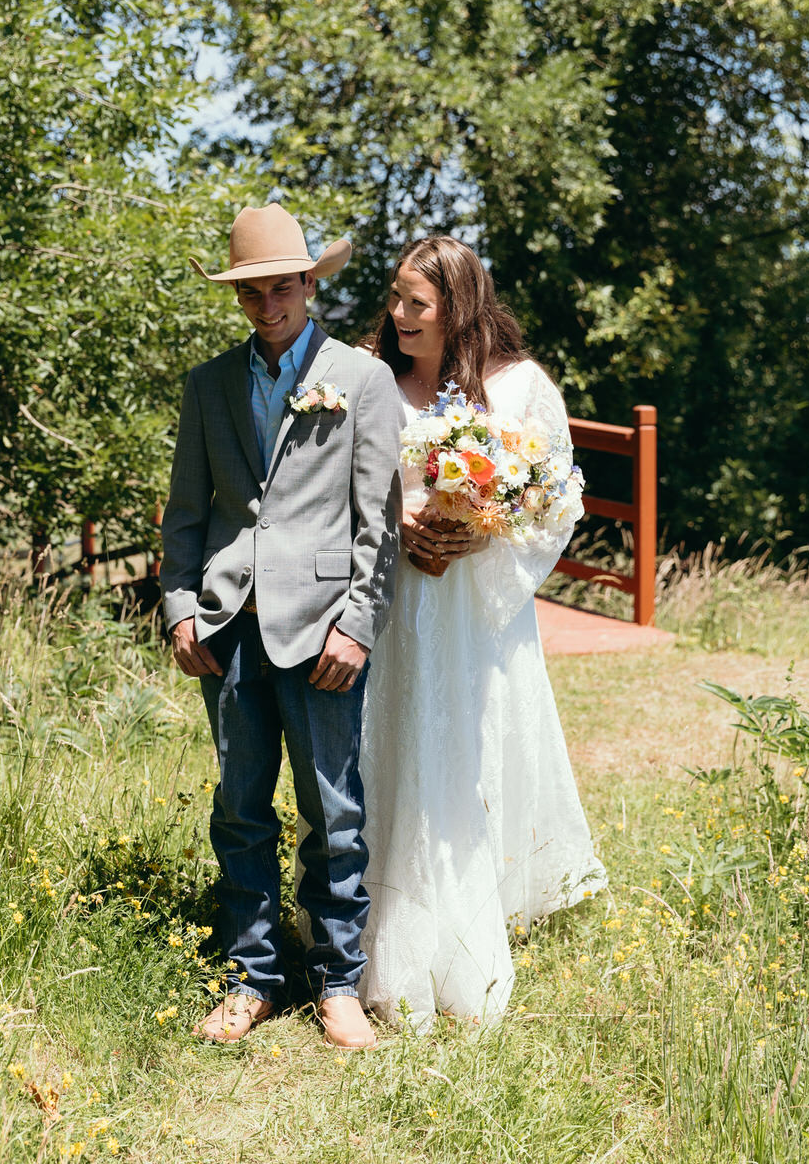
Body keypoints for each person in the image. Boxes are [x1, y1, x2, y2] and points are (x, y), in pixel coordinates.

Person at [161, 201, 402, 1050]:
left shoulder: (361, 379)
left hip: (324, 632)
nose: (268, 306)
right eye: (251, 293)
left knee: (332, 809)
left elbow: (380, 522)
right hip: (228, 630)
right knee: (239, 808)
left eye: (282, 288)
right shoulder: (208, 384)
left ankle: (338, 981)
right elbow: (187, 514)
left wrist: (359, 625)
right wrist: (181, 607)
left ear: (310, 282)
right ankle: (253, 977)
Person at [358, 235, 607, 1030]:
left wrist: (483, 529)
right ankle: (376, 910)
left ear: (458, 307)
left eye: (416, 303)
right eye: (394, 297)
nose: (398, 315)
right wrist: (396, 517)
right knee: (392, 739)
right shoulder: (375, 382)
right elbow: (342, 480)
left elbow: (557, 496)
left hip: (474, 601)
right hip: (397, 593)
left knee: (471, 743)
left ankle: (476, 903)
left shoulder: (520, 386)